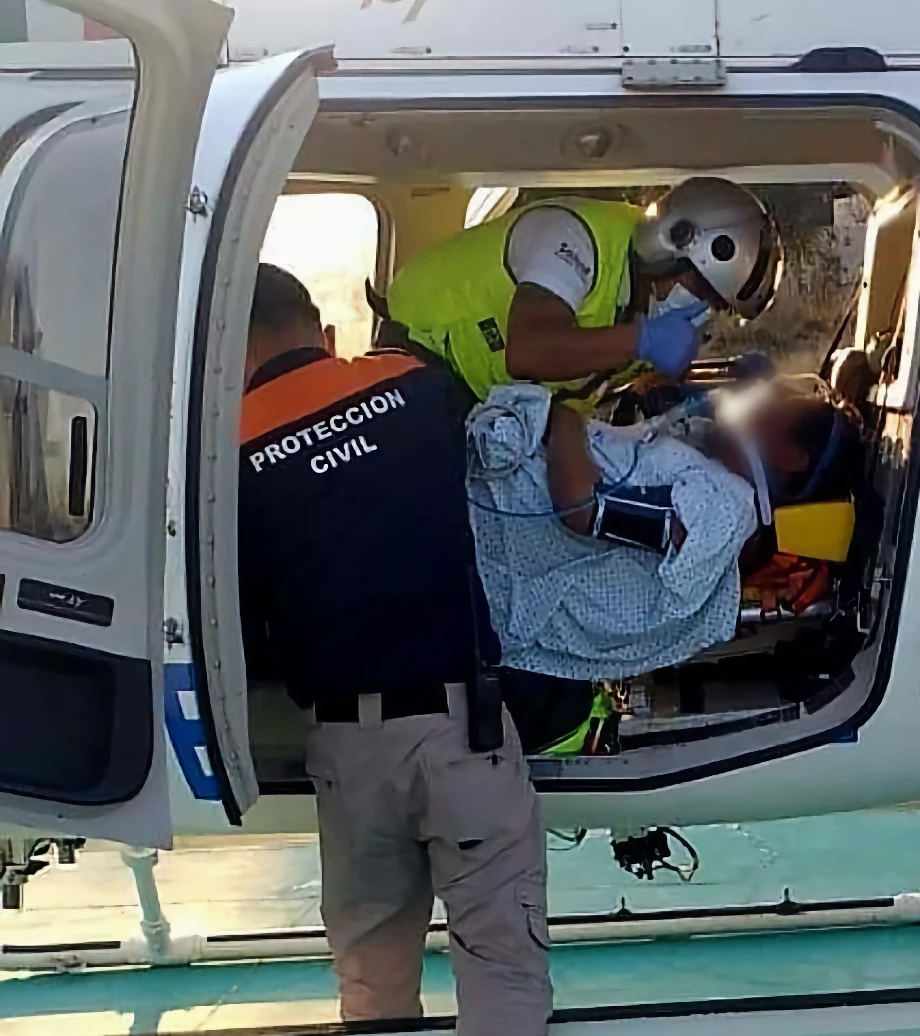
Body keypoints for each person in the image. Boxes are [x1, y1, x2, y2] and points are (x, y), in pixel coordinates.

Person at [238, 264, 550, 1035]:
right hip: (461, 729)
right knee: (502, 969)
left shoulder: (231, 451)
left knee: (373, 989)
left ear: (233, 351)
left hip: (349, 751)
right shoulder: (414, 384)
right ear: (318, 328)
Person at [466, 375, 865, 686]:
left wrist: (564, 418)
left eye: (780, 407)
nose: (764, 400)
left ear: (792, 457)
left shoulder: (723, 509)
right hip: (477, 526)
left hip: (473, 540)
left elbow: (582, 507)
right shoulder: (715, 482)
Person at [376, 177, 784, 413]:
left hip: (482, 401)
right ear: (668, 246)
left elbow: (572, 397)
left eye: (716, 305)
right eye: (702, 290)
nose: (702, 311)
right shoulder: (574, 237)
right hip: (418, 359)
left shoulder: (640, 310)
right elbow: (530, 350)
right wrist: (640, 340)